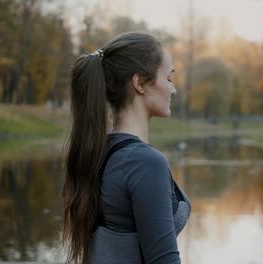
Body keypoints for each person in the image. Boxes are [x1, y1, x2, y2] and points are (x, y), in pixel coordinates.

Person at [63, 32, 191, 264]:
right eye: (169, 78)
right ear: (140, 83)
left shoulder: (103, 150)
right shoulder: (144, 162)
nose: (173, 90)